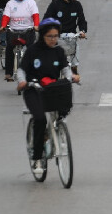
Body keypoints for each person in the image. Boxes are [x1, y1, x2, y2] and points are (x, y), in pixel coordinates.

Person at [17, 18, 80, 174]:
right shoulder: (32, 51)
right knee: (39, 119)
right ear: (43, 36)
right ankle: (38, 158)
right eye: (50, 36)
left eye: (56, 36)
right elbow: (22, 69)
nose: (53, 39)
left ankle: (58, 128)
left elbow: (65, 68)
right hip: (34, 89)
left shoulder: (58, 51)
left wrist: (71, 77)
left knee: (65, 99)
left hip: (52, 89)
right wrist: (22, 81)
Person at [43, 0, 87, 74]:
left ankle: (74, 68)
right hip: (56, 38)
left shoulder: (77, 5)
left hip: (72, 38)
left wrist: (83, 31)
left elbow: (82, 21)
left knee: (74, 63)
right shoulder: (55, 5)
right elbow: (46, 20)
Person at [0, 0, 39, 81]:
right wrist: (3, 26)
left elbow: (35, 15)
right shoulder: (10, 4)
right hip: (13, 31)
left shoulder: (31, 3)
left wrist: (36, 25)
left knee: (32, 50)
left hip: (28, 31)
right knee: (9, 49)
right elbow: (6, 17)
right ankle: (8, 73)